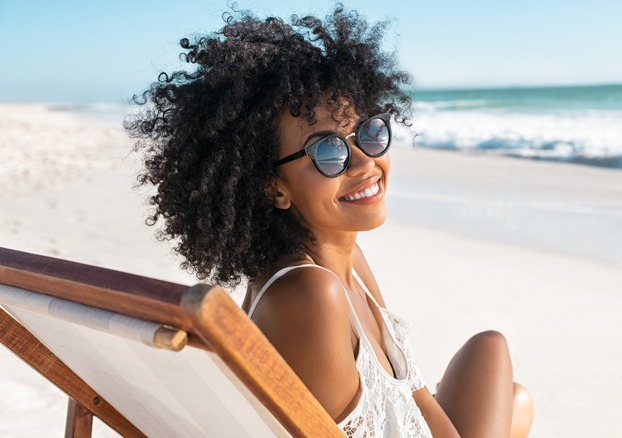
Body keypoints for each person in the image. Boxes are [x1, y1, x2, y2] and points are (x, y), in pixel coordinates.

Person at [126, 5, 533, 437]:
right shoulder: (309, 293)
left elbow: (414, 394)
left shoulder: (348, 258)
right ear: (273, 187)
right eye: (328, 151)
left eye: (369, 134)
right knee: (513, 404)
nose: (363, 162)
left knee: (499, 363)